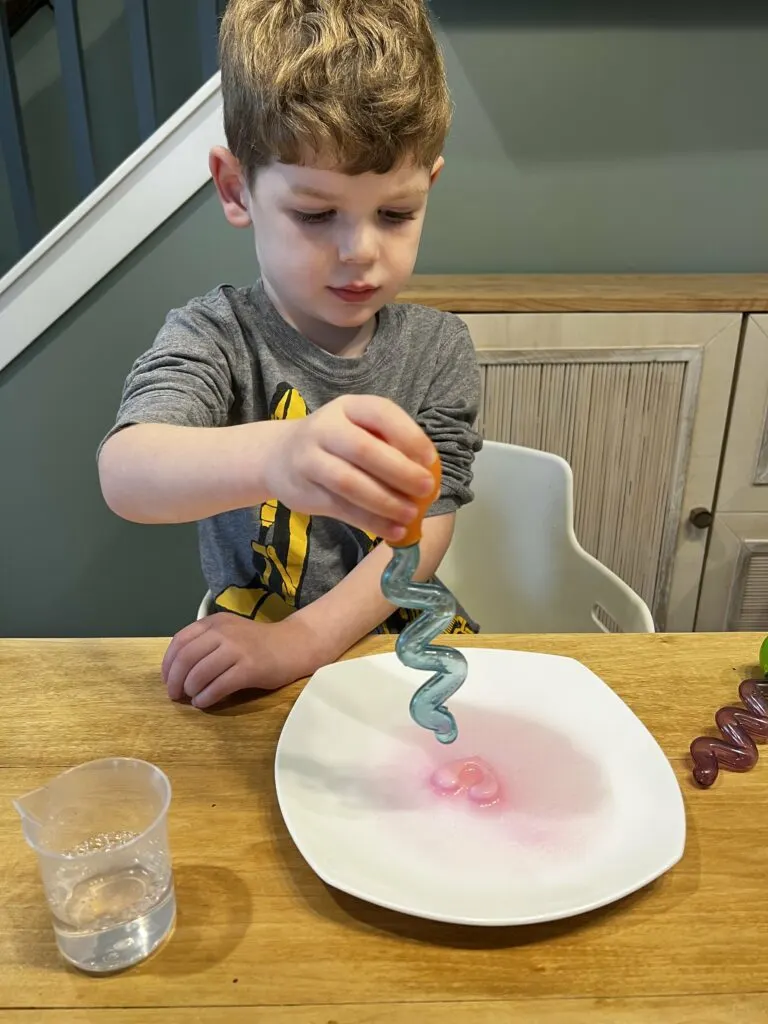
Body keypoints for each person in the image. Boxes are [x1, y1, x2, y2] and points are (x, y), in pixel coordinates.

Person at [98, 0, 482, 710]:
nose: (360, 251)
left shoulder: (439, 348)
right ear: (235, 188)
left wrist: (305, 642)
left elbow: (431, 521)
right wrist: (277, 458)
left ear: (429, 185)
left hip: (391, 648)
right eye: (315, 214)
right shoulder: (214, 339)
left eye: (395, 214)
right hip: (250, 651)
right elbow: (125, 473)